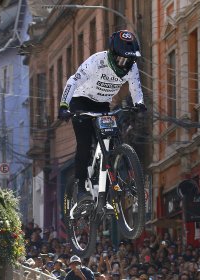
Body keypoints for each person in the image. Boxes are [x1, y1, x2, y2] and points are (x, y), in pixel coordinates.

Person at [58, 30, 146, 203]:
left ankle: (107, 181)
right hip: (81, 102)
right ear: (112, 54)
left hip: (102, 104)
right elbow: (72, 81)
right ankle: (82, 187)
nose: (124, 64)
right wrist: (64, 106)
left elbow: (136, 88)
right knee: (84, 144)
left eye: (129, 60)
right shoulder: (96, 61)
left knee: (111, 141)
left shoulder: (132, 67)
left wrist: (139, 104)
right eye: (121, 59)